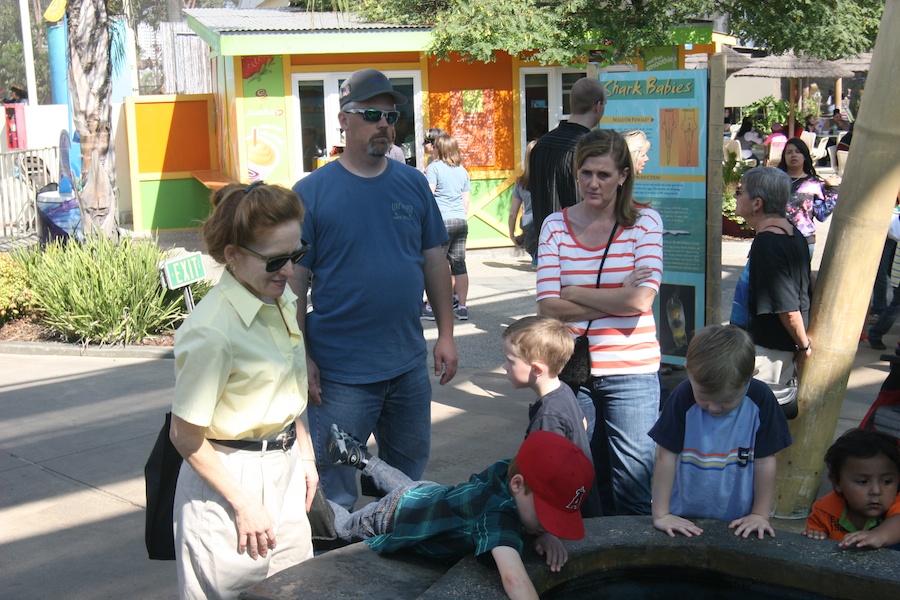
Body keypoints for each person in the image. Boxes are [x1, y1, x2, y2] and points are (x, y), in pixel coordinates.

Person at [290, 68, 458, 510]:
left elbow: (434, 260)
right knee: (335, 487)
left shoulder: (413, 183)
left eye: (391, 115)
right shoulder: (311, 192)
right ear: (343, 119)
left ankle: (397, 553)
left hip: (405, 367)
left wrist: (446, 334)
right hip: (340, 374)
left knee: (406, 480)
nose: (384, 123)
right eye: (372, 114)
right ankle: (337, 568)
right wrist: (300, 354)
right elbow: (296, 282)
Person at [169, 182, 317, 600]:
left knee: (298, 587)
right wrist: (244, 502)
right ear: (232, 256)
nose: (289, 271)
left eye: (296, 254)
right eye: (275, 260)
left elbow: (288, 390)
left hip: (285, 466)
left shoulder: (278, 299)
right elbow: (184, 436)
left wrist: (303, 455)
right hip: (228, 478)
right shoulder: (212, 331)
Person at [536, 128, 663, 516]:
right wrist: (615, 300)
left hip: (632, 370)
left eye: (604, 175)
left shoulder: (645, 222)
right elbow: (546, 308)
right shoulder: (554, 226)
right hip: (572, 369)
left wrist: (573, 293)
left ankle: (634, 568)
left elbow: (641, 300)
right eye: (586, 173)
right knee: (572, 480)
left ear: (624, 175)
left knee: (634, 483)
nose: (593, 183)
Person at [324, 426, 594, 599]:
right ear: (518, 484)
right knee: (344, 527)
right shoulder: (498, 515)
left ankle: (362, 459)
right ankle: (298, 496)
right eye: (546, 516)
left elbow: (524, 504)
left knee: (412, 490)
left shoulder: (509, 470)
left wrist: (541, 532)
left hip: (429, 497)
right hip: (395, 518)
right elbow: (514, 579)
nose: (549, 526)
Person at [649, 325, 792, 540]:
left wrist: (760, 514)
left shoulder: (761, 399)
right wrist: (662, 514)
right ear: (689, 370)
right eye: (705, 398)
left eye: (727, 401)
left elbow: (765, 460)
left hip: (739, 518)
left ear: (749, 377)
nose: (714, 408)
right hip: (683, 513)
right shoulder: (682, 397)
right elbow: (665, 455)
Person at [502, 315, 601, 517]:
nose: (504, 366)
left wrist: (543, 529)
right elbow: (582, 423)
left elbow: (545, 475)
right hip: (582, 497)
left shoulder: (548, 415)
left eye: (510, 361)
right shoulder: (564, 391)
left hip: (564, 509)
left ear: (537, 369)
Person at [730, 167, 812, 387]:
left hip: (766, 355)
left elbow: (786, 305)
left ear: (757, 203)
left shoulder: (768, 243)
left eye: (740, 191)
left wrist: (803, 347)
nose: (735, 196)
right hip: (770, 350)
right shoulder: (793, 234)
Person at [529, 77, 607, 233]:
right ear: (598, 106)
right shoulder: (589, 148)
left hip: (546, 243)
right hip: (578, 244)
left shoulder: (540, 145)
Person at [802, 428, 900, 550]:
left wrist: (878, 535)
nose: (876, 491)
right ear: (836, 482)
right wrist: (816, 535)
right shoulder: (824, 511)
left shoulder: (896, 502)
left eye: (887, 481)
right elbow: (813, 537)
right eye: (863, 482)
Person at [424, 133, 471, 321]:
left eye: (435, 146)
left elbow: (429, 196)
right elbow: (465, 201)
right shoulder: (463, 171)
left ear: (440, 149)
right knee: (459, 264)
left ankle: (431, 306)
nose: (433, 149)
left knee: (437, 264)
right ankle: (463, 306)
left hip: (441, 221)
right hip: (460, 220)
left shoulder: (434, 168)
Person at [777, 137, 840, 257]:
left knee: (801, 276)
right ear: (784, 157)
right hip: (776, 237)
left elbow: (821, 215)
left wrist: (833, 190)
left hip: (804, 240)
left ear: (805, 156)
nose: (793, 155)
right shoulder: (775, 180)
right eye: (789, 152)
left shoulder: (813, 183)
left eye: (798, 151)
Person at [508, 140, 539, 265]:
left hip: (530, 230)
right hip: (547, 229)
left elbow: (513, 213)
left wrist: (512, 235)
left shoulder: (521, 183)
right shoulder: (550, 179)